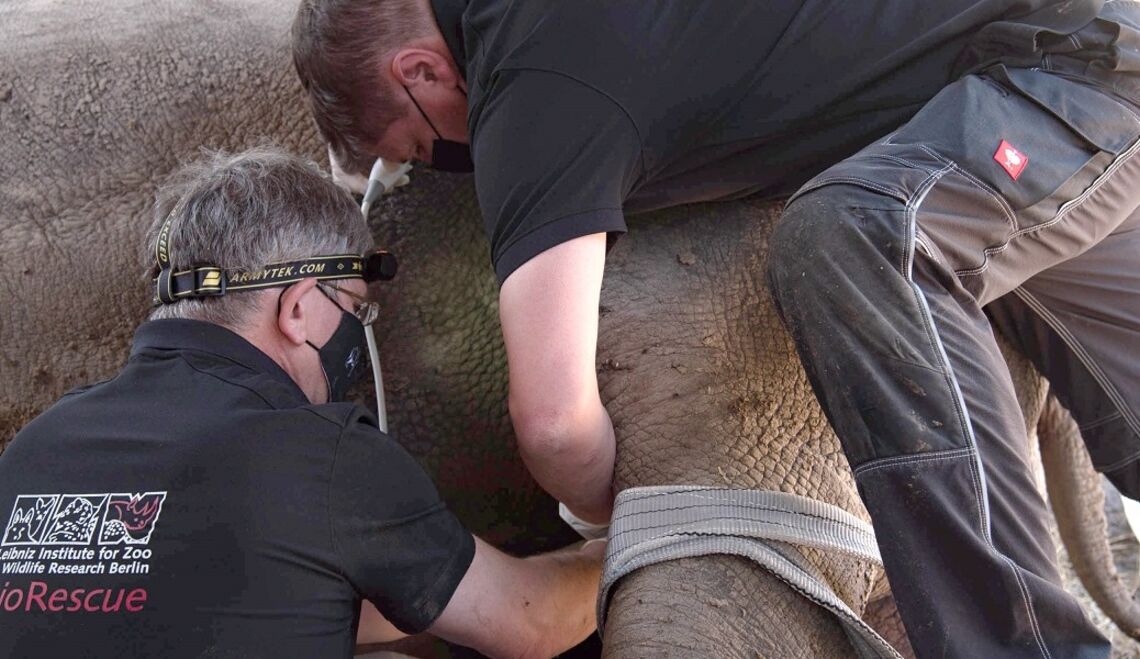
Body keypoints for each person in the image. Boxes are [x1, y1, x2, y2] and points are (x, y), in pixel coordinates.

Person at [291, 0, 1140, 656]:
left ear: (421, 72)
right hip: (1026, 94)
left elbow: (552, 421)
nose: (448, 161)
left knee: (858, 237)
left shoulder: (527, 82)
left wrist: (606, 520)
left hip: (1053, 75)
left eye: (423, 145)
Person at [0, 147, 602, 659]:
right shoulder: (323, 455)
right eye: (354, 309)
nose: (354, 336)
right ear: (297, 307)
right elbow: (534, 624)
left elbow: (234, 592)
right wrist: (621, 547)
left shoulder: (32, 449)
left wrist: (435, 575)